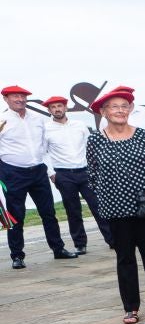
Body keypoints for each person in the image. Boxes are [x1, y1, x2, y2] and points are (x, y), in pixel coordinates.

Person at [85, 88, 145, 323]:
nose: (120, 111)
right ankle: (131, 307)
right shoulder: (95, 139)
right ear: (103, 112)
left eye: (124, 106)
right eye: (114, 107)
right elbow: (93, 175)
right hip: (115, 209)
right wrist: (111, 195)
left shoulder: (144, 135)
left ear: (130, 110)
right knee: (124, 258)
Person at [0, 84, 78, 268]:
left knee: (49, 213)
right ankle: (17, 256)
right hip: (13, 172)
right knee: (15, 216)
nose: (20, 99)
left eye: (23, 96)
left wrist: (49, 170)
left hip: (38, 171)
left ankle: (58, 249)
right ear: (6, 99)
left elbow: (44, 146)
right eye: (15, 96)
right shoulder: (2, 119)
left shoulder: (37, 118)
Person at [43, 95, 112, 253]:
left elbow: (91, 147)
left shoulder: (79, 125)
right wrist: (51, 173)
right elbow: (43, 153)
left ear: (66, 107)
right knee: (73, 210)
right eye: (53, 107)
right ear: (49, 110)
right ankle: (80, 243)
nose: (57, 109)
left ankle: (112, 239)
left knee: (98, 206)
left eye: (60, 106)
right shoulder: (46, 129)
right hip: (63, 174)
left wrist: (95, 168)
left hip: (85, 171)